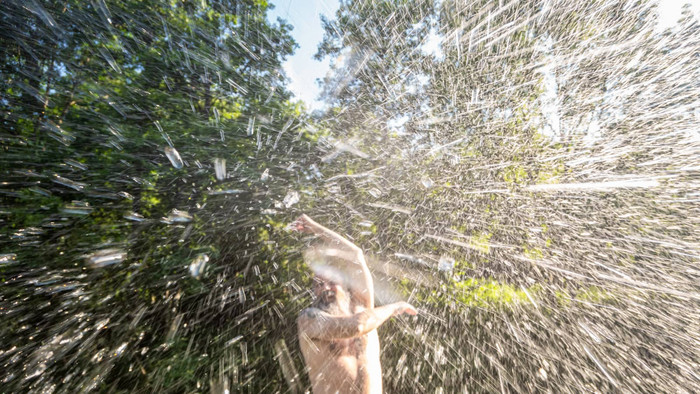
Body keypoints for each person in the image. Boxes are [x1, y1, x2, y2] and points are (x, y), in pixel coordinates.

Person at [293, 215, 417, 394]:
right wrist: (393, 308)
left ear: (345, 285)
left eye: (331, 282)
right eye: (318, 285)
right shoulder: (309, 319)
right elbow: (358, 326)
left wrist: (315, 228)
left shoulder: (363, 306)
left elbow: (355, 255)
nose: (325, 288)